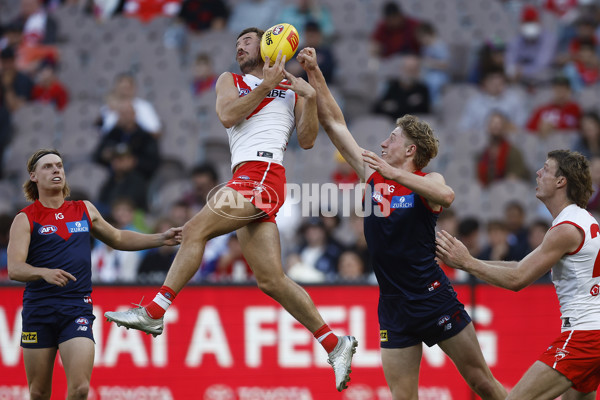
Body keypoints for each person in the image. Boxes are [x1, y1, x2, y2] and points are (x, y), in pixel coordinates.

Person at [103, 28, 358, 392]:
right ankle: (335, 344)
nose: (239, 47)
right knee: (271, 280)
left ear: (269, 44)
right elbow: (226, 115)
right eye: (236, 43)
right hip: (245, 176)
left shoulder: (291, 88)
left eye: (247, 41)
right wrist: (262, 86)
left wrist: (310, 97)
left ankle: (154, 313)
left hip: (265, 175)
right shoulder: (231, 80)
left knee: (193, 230)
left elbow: (307, 139)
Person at [302, 47, 507, 399]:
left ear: (411, 150)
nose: (383, 143)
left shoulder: (429, 179)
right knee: (402, 396)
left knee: (482, 383)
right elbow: (335, 123)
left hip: (432, 297)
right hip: (393, 305)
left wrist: (394, 173)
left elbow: (446, 197)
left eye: (392, 138)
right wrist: (314, 72)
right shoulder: (373, 176)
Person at [6, 149, 182, 400]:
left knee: (80, 389)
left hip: (76, 308)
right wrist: (43, 273)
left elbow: (118, 237)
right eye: (48, 167)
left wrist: (160, 238)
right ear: (33, 176)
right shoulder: (25, 219)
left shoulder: (84, 209)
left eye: (59, 165)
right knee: (38, 391)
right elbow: (15, 268)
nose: (56, 170)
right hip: (39, 310)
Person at [436, 149, 600, 400]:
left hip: (584, 336)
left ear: (561, 181)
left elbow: (517, 279)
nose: (538, 172)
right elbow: (519, 266)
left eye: (546, 168)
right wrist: (468, 261)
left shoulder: (566, 228)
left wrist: (467, 263)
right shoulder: (579, 219)